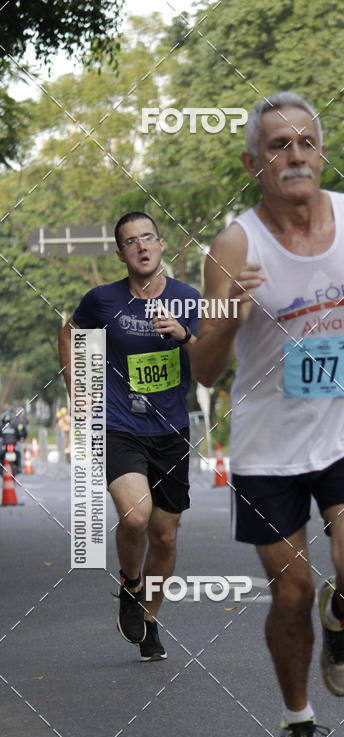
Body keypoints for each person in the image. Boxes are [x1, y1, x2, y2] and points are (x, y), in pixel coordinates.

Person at [190, 92, 344, 737]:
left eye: (305, 143)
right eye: (278, 146)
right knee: (288, 593)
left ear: (321, 153)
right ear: (252, 162)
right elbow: (202, 364)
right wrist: (229, 314)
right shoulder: (235, 245)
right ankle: (299, 723)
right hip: (267, 448)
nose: (295, 155)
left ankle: (341, 622)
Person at [59, 212, 201, 661]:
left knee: (165, 536)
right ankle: (130, 583)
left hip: (172, 430)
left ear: (161, 246)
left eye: (148, 238)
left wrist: (183, 336)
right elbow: (71, 332)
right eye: (130, 242)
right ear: (120, 253)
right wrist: (76, 388)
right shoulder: (102, 300)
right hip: (120, 425)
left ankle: (151, 618)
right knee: (137, 518)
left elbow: (217, 358)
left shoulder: (188, 299)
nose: (141, 247)